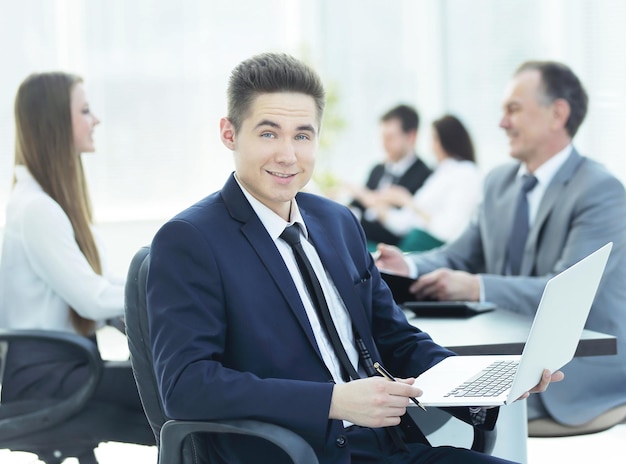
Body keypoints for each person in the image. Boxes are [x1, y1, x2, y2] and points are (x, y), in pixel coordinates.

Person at [146, 52, 561, 463]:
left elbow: (396, 338)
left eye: (303, 135)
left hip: (391, 447)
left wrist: (486, 384)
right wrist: (332, 401)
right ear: (229, 133)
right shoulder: (191, 240)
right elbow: (186, 386)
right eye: (269, 134)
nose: (288, 155)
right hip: (297, 454)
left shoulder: (336, 222)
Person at [375, 60, 626, 428]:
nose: (502, 123)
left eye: (513, 109)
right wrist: (408, 266)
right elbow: (458, 255)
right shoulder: (498, 183)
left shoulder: (600, 191)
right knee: (413, 402)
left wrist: (477, 286)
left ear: (557, 113)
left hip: (573, 370)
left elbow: (565, 294)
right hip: (506, 354)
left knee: (434, 415)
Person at [0, 72, 153, 444]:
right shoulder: (37, 209)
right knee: (176, 395)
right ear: (54, 122)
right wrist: (167, 290)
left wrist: (149, 284)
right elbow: (91, 299)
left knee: (170, 391)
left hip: (63, 369)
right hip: (49, 380)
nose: (95, 120)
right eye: (85, 110)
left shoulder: (42, 203)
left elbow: (97, 282)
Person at [370, 114, 482, 251]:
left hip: (431, 247)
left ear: (447, 141)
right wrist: (380, 205)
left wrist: (408, 202)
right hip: (411, 241)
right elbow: (403, 223)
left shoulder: (466, 172)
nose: (431, 147)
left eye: (434, 140)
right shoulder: (439, 173)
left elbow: (449, 230)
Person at [348, 104, 432, 247]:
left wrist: (369, 199)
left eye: (390, 137)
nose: (384, 144)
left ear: (411, 137)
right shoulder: (378, 169)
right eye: (382, 137)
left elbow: (405, 226)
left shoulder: (425, 175)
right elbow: (357, 205)